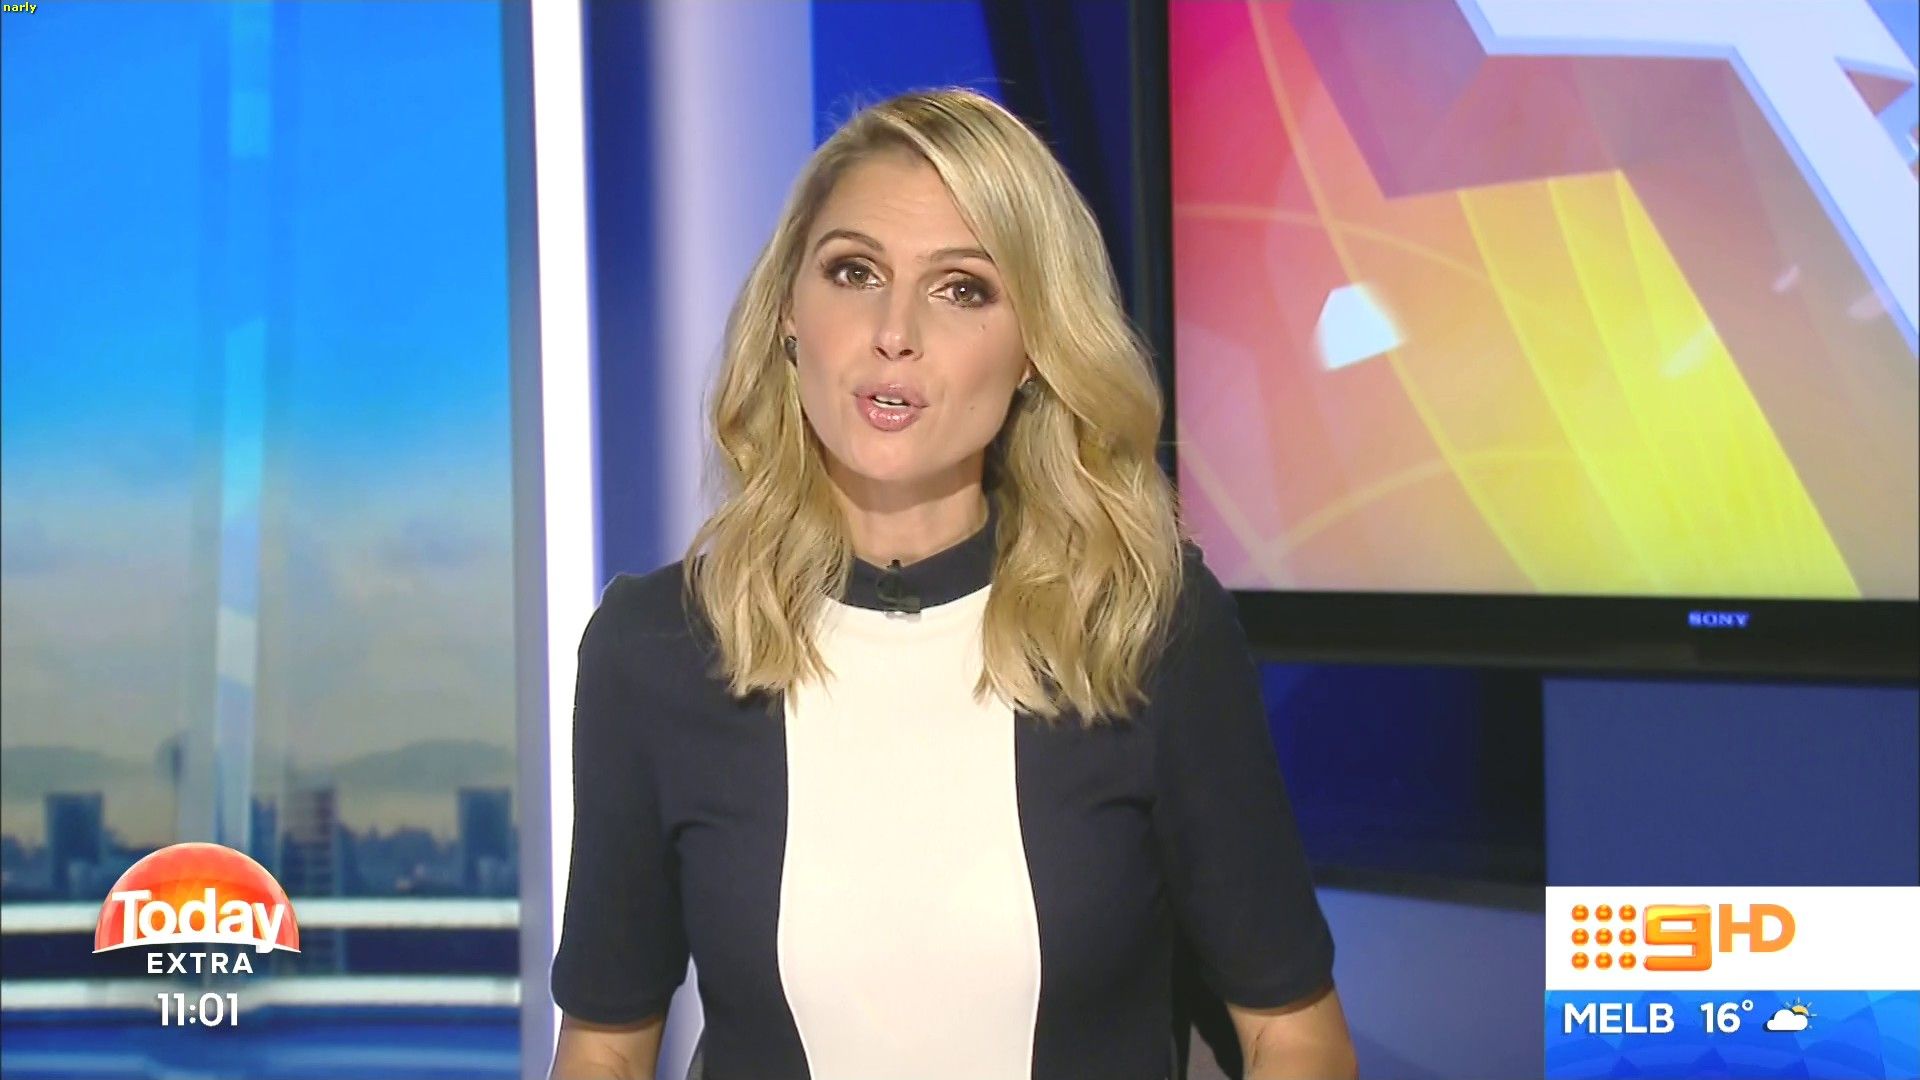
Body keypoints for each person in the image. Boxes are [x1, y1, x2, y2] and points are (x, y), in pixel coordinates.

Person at [547, 88, 1355, 1080]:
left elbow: (1292, 1034)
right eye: (854, 272)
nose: (895, 331)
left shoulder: (1146, 630)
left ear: (1034, 351)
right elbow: (604, 1052)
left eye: (962, 289)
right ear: (790, 315)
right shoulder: (655, 652)